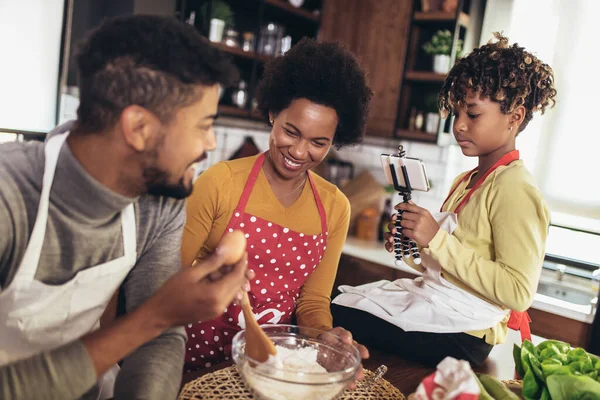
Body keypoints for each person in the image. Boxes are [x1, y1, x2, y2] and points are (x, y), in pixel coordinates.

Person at [0, 15, 253, 400]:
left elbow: (160, 340)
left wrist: (163, 320)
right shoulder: (9, 195)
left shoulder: (161, 203)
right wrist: (160, 314)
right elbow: (158, 320)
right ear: (138, 128)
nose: (212, 143)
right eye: (203, 125)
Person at [331, 33, 557, 367]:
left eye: (474, 115)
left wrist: (435, 239)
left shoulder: (515, 188)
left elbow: (518, 292)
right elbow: (447, 269)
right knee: (337, 300)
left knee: (334, 310)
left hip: (467, 333)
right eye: (456, 113)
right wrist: (411, 244)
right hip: (443, 308)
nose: (460, 126)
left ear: (514, 117)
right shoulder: (467, 181)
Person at [182, 38, 373, 371]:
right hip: (192, 360)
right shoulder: (220, 182)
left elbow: (312, 304)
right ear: (273, 113)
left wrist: (325, 336)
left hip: (271, 368)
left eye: (318, 142)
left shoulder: (334, 207)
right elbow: (167, 278)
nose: (299, 152)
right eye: (291, 131)